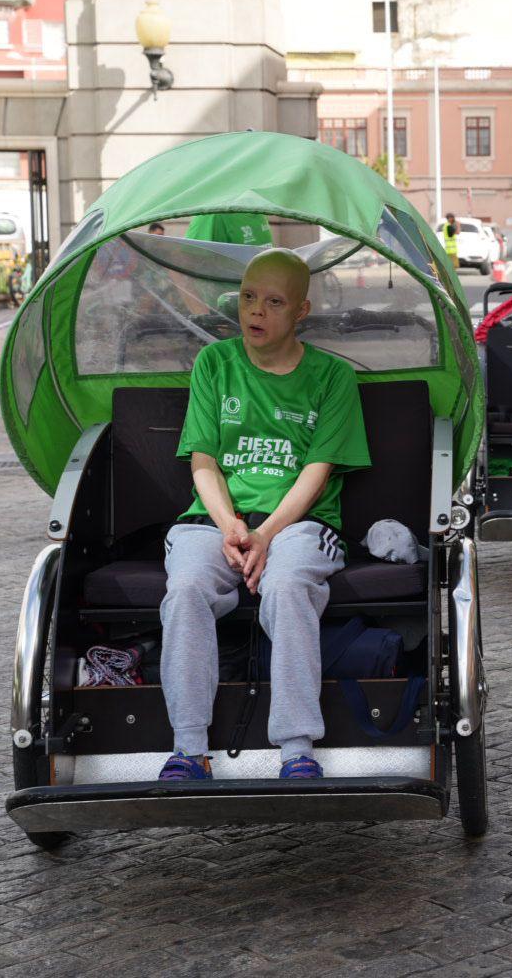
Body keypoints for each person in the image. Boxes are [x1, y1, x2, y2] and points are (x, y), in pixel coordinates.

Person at [157, 248, 371, 783]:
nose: (256, 311)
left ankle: (296, 748)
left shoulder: (332, 377)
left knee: (288, 585)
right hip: (216, 523)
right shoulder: (215, 364)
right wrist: (232, 527)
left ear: (301, 311)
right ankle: (189, 749)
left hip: (298, 525)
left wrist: (267, 534)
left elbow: (316, 471)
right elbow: (203, 462)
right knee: (184, 587)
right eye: (249, 297)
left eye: (274, 302)